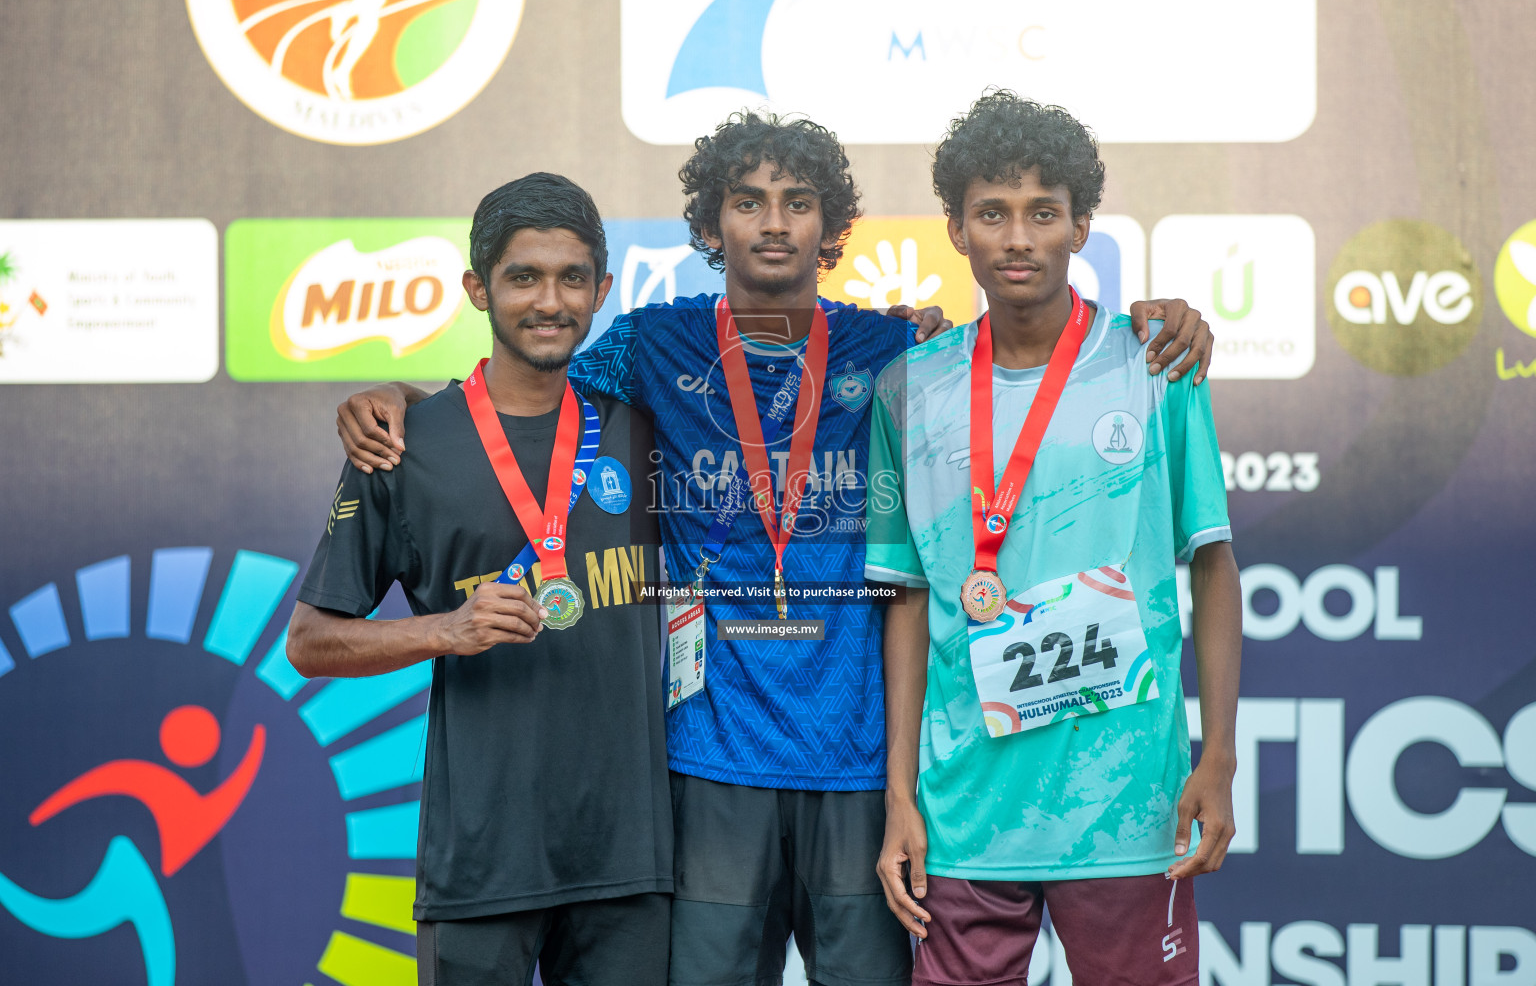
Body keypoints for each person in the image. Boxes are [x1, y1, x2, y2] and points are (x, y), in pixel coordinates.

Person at [333, 112, 1216, 986]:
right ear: (711, 224)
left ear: (831, 227)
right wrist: (405, 395)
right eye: (748, 201)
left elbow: (1015, 356)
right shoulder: (650, 345)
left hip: (861, 760)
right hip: (711, 759)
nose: (773, 221)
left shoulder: (898, 349)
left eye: (798, 202)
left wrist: (1154, 322)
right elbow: (523, 391)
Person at [866, 91, 1243, 986]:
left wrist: (1218, 756)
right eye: (992, 213)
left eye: (1044, 212)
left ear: (1082, 226)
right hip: (964, 810)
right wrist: (899, 799)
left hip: (1125, 806)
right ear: (956, 230)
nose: (1019, 238)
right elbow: (909, 599)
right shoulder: (907, 388)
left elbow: (1215, 561)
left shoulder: (1157, 365)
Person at [286, 173, 671, 986]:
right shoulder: (403, 446)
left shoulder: (645, 430)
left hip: (632, 860)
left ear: (602, 289)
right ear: (477, 288)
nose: (549, 300)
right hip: (482, 863)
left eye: (572, 278)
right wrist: (445, 631)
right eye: (523, 277)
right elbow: (310, 642)